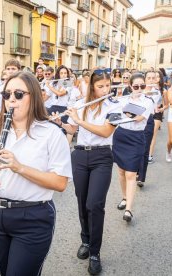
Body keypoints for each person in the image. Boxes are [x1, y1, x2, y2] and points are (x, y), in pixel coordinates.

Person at [0, 71, 72, 276]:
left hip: (33, 218)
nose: (11, 100)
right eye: (6, 95)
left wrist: (20, 168)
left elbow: (61, 183)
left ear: (33, 97)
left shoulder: (51, 134)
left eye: (18, 94)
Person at [58, 69, 120, 275]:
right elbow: (72, 130)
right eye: (100, 86)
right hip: (80, 156)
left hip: (102, 157)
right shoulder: (81, 105)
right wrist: (60, 121)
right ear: (92, 86)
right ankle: (85, 239)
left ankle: (95, 252)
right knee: (82, 201)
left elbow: (105, 131)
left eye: (107, 86)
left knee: (95, 204)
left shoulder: (114, 106)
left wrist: (80, 119)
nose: (105, 90)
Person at [113, 73, 153, 222]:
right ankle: (124, 197)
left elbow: (139, 118)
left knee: (131, 174)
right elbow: (115, 116)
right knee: (121, 172)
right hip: (121, 135)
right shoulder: (122, 99)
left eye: (142, 86)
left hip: (136, 138)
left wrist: (126, 114)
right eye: (136, 86)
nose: (139, 89)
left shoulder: (148, 101)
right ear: (130, 86)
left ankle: (129, 209)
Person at [136, 71, 160, 187]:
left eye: (153, 78)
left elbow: (149, 101)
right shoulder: (138, 89)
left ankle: (141, 177)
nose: (151, 80)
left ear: (156, 80)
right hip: (135, 120)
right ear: (145, 80)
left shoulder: (156, 92)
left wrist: (141, 90)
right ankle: (135, 171)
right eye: (148, 78)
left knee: (145, 149)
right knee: (136, 148)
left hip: (148, 120)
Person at [148, 70, 169, 163]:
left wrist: (162, 109)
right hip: (147, 113)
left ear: (160, 78)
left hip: (157, 114)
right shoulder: (147, 88)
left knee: (152, 133)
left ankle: (149, 155)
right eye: (153, 77)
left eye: (157, 76)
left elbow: (167, 104)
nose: (155, 78)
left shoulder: (163, 90)